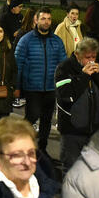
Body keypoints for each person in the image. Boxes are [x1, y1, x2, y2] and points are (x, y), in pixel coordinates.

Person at [54, 37, 99, 169]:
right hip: (72, 130)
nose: (91, 61)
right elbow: (66, 95)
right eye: (87, 57)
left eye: (94, 57)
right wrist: (84, 76)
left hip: (94, 130)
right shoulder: (64, 68)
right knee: (72, 169)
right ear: (77, 55)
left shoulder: (96, 67)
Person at [15, 8, 68, 154]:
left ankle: (42, 149)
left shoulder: (56, 41)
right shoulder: (26, 40)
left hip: (51, 88)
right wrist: (17, 87)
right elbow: (17, 65)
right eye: (43, 18)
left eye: (49, 19)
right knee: (32, 116)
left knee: (46, 120)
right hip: (32, 88)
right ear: (36, 20)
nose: (46, 22)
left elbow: (63, 65)